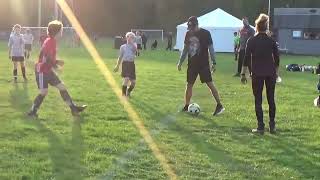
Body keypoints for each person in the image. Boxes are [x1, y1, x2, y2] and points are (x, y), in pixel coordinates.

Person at [27, 20, 87, 118]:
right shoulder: (50, 41)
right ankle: (32, 112)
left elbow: (48, 56)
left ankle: (73, 108)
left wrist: (57, 62)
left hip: (48, 70)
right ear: (57, 31)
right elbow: (46, 57)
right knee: (43, 92)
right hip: (42, 71)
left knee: (62, 87)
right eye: (61, 30)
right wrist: (56, 66)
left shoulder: (52, 41)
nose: (62, 32)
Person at [177, 16, 225, 116]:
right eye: (189, 27)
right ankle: (186, 106)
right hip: (192, 64)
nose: (191, 29)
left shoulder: (206, 33)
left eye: (192, 27)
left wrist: (214, 62)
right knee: (189, 85)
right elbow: (185, 49)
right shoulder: (188, 33)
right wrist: (180, 62)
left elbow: (211, 49)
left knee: (210, 84)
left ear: (197, 25)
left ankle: (219, 105)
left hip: (203, 64)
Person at [241, 14, 280, 134]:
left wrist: (243, 74)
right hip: (270, 73)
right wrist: (276, 72)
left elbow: (246, 58)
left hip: (257, 73)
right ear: (266, 27)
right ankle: (272, 125)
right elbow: (277, 58)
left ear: (257, 26)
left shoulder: (251, 40)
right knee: (271, 99)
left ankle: (260, 127)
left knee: (258, 100)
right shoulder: (271, 41)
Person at [114, 32, 137, 98]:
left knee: (133, 82)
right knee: (126, 79)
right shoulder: (122, 47)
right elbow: (120, 57)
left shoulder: (134, 45)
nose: (129, 38)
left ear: (133, 39)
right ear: (126, 37)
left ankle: (128, 92)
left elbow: (135, 51)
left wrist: (132, 42)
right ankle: (123, 95)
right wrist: (117, 66)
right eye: (128, 37)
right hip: (125, 64)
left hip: (132, 64)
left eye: (131, 37)